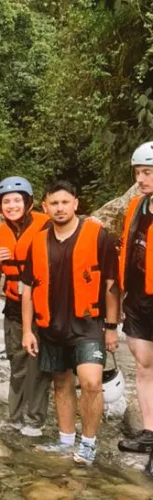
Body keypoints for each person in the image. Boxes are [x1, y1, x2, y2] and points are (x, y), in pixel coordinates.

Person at [21, 180, 119, 466]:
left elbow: (111, 284)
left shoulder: (99, 236)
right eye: (54, 203)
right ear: (45, 207)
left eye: (65, 202)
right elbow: (28, 289)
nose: (60, 208)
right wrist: (27, 331)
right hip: (51, 326)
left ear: (76, 203)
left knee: (91, 383)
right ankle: (65, 441)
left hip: (88, 324)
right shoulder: (38, 241)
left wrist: (111, 327)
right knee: (62, 384)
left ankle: (88, 444)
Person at [0, 176, 52, 436]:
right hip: (13, 308)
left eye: (16, 200)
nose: (11, 206)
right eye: (6, 202)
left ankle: (34, 420)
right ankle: (14, 418)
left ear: (28, 202)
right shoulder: (0, 235)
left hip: (44, 308)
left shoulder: (47, 226)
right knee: (18, 365)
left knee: (39, 367)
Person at [118, 142, 153, 476]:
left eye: (147, 173)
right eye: (138, 173)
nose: (140, 179)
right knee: (143, 365)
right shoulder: (137, 207)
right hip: (139, 299)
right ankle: (149, 431)